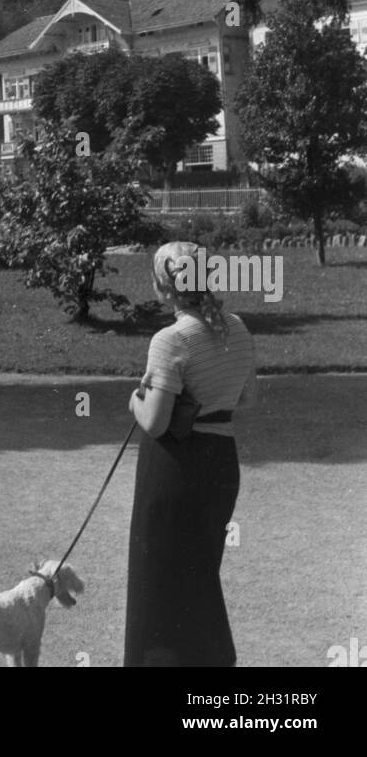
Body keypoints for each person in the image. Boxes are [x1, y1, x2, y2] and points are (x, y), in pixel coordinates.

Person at [124, 241, 258, 667]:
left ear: (165, 288)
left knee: (158, 577)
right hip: (221, 463)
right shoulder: (237, 327)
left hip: (175, 469)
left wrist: (135, 399)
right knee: (199, 572)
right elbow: (248, 397)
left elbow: (156, 422)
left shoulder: (170, 339)